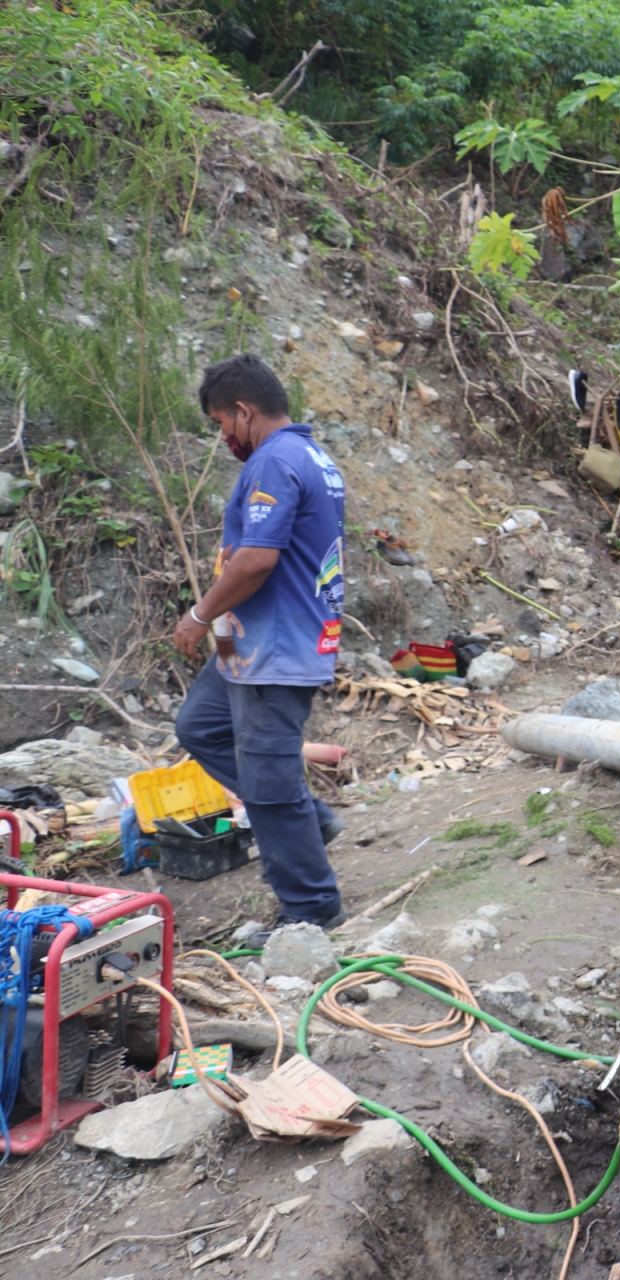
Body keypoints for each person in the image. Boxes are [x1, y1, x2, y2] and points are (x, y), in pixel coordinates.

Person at [172, 354, 350, 945]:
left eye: (223, 424)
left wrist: (201, 615)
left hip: (275, 650)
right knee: (200, 726)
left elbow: (256, 560)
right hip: (252, 647)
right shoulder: (311, 456)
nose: (224, 438)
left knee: (270, 784)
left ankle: (311, 907)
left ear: (244, 411)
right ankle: (310, 821)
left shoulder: (275, 461)